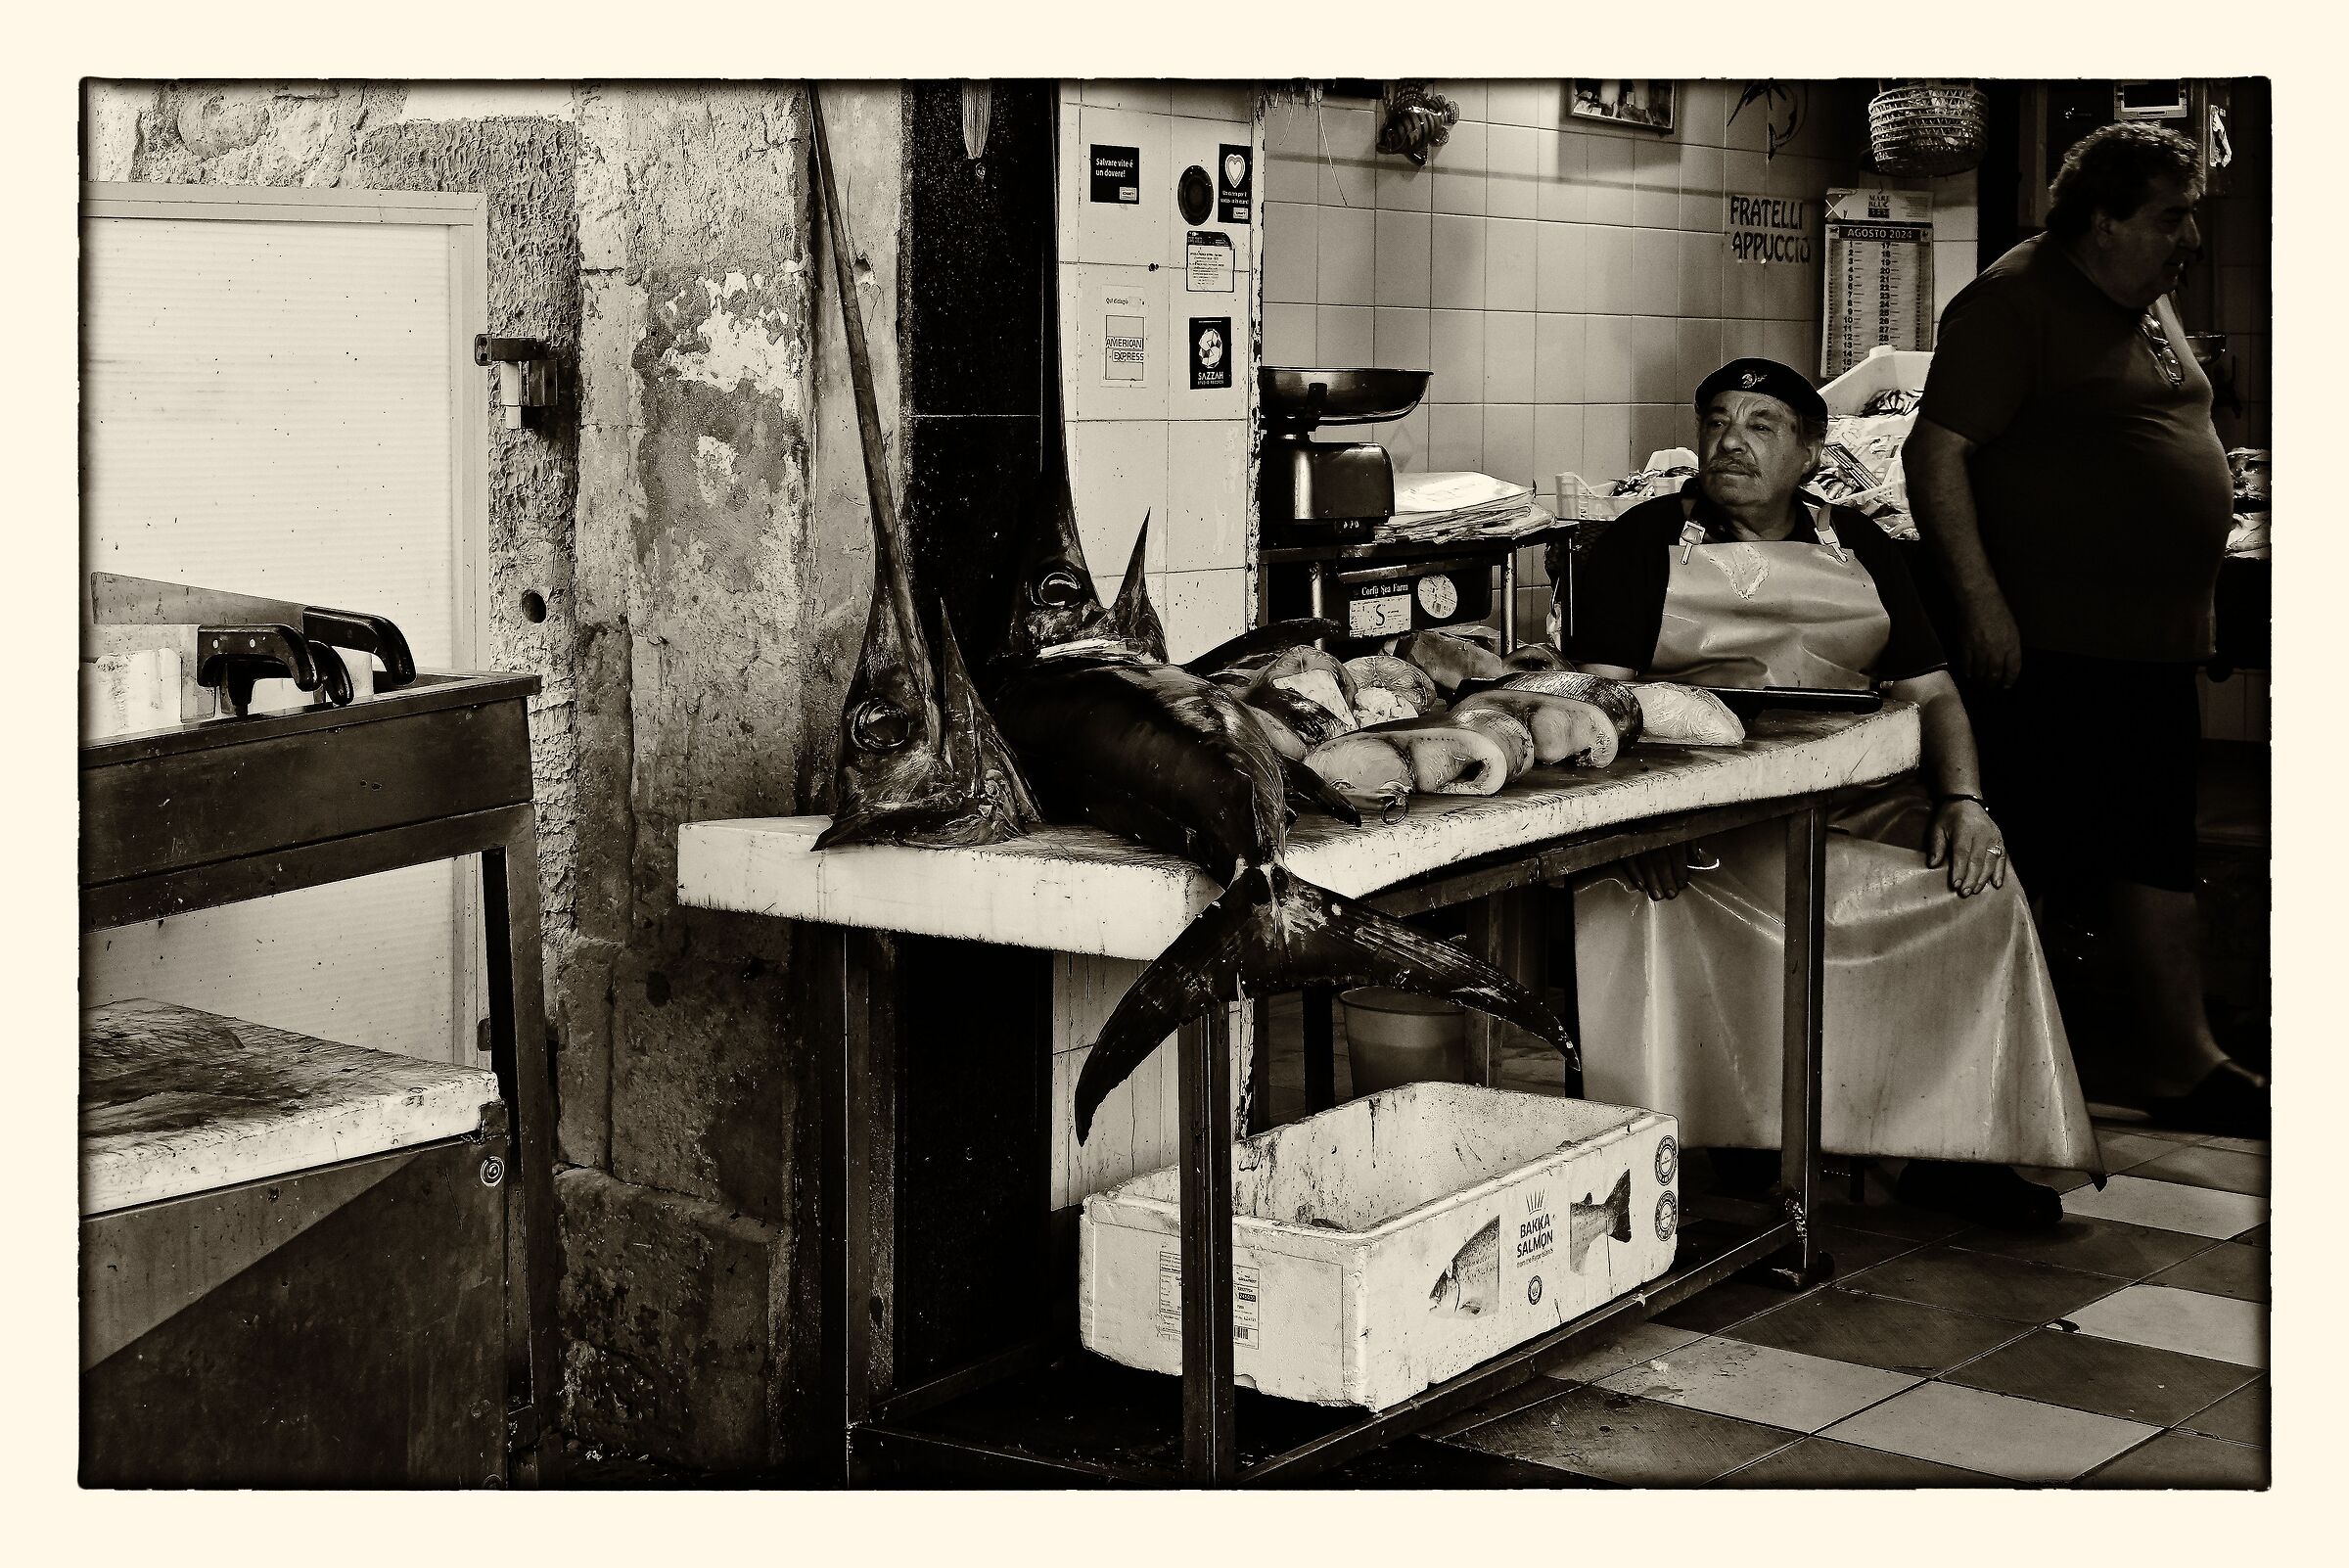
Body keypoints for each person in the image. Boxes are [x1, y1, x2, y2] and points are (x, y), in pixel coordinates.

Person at [1564, 357, 2101, 1229]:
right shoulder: (1643, 540)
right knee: (1658, 900)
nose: (1730, 441)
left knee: (1977, 890)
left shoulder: (1860, 542)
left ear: (1813, 452)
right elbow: (1599, 704)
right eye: (1716, 422)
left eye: (1761, 425)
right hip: (1699, 808)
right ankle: (1738, 1129)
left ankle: (1952, 1147)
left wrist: (1966, 804)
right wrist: (1638, 825)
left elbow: (1931, 696)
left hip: (1855, 795)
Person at [1901, 122, 2261, 1136]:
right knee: (2036, 862)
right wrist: (1982, 608)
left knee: (2154, 849)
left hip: (2148, 643)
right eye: (2171, 217)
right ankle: (1998, 1088)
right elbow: (1938, 457)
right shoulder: (2016, 301)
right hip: (2055, 642)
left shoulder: (2142, 295)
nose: (2188, 236)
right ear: (2101, 221)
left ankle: (2182, 1061)